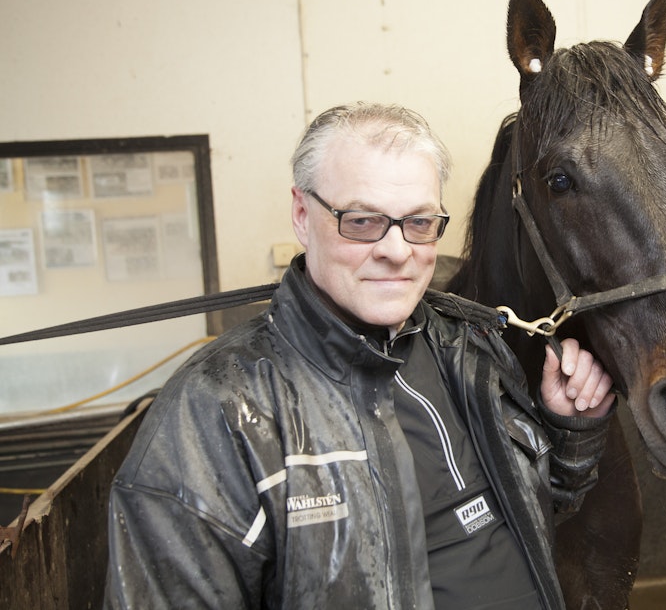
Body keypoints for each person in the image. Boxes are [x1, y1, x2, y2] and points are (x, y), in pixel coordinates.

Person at [104, 102, 616, 609]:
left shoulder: (471, 348)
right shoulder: (217, 410)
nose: (397, 250)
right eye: (363, 221)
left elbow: (536, 510)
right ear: (303, 216)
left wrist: (569, 431)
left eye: (418, 223)